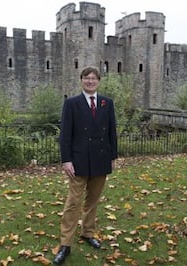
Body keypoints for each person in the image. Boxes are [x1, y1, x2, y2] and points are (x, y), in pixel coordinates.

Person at [53, 66, 118, 264]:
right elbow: (65, 135)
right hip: (78, 162)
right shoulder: (72, 103)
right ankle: (65, 244)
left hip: (100, 160)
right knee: (73, 203)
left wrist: (113, 157)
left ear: (99, 81)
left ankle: (88, 233)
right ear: (81, 80)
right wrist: (66, 160)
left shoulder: (107, 103)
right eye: (86, 78)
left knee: (93, 201)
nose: (90, 81)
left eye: (93, 78)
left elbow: (112, 133)